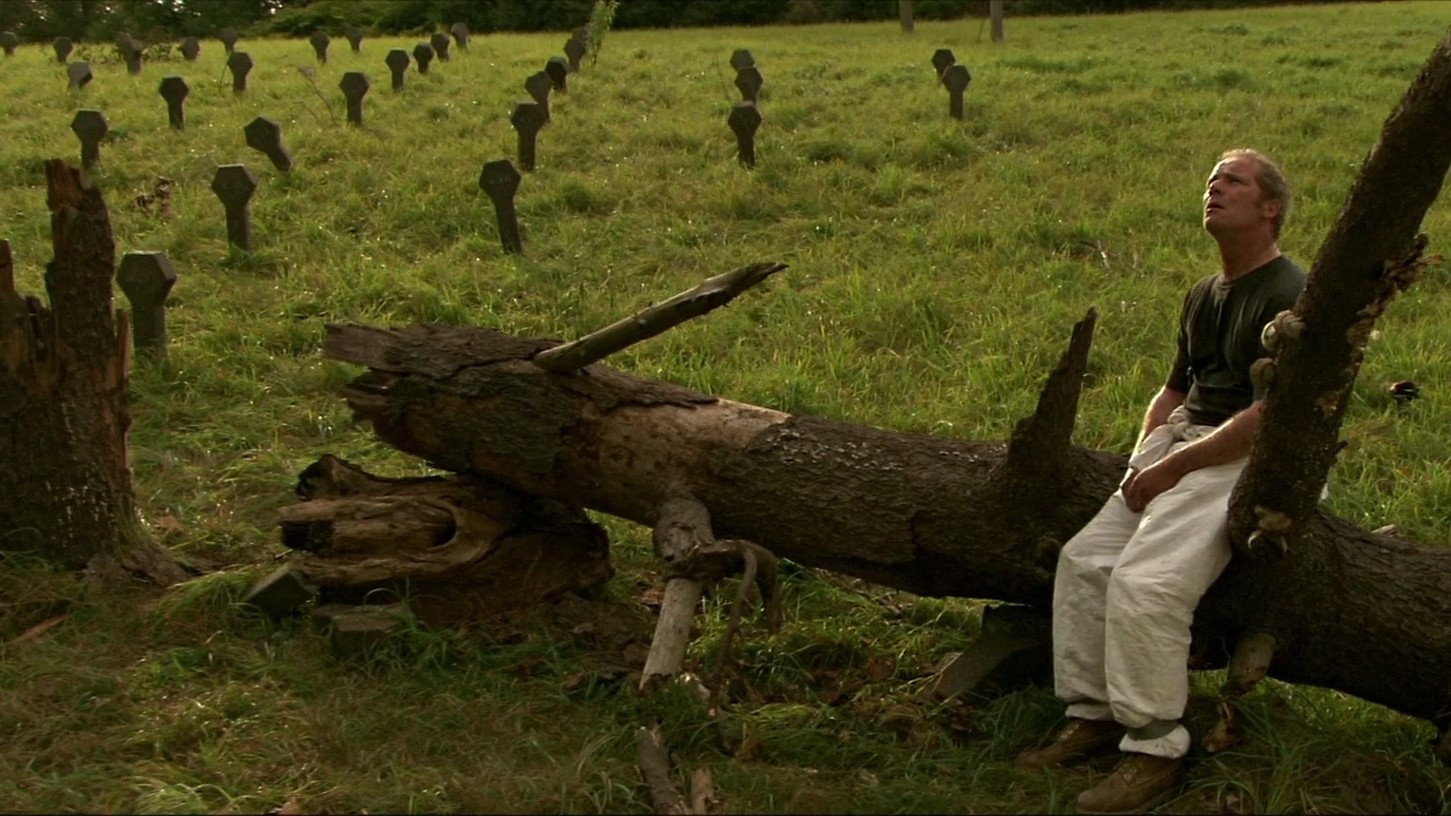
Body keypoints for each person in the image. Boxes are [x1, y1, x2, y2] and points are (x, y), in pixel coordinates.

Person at [1014, 148, 1306, 814]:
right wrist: (1143, 457)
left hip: (1244, 456)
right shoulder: (1203, 293)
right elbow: (1176, 389)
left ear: (1270, 208)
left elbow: (1274, 415)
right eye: (1211, 178)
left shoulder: (1289, 293)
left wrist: (1175, 468)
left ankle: (1154, 747)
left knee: (1147, 583)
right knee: (1086, 561)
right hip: (1181, 444)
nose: (1213, 186)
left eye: (1232, 180)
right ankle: (1094, 713)